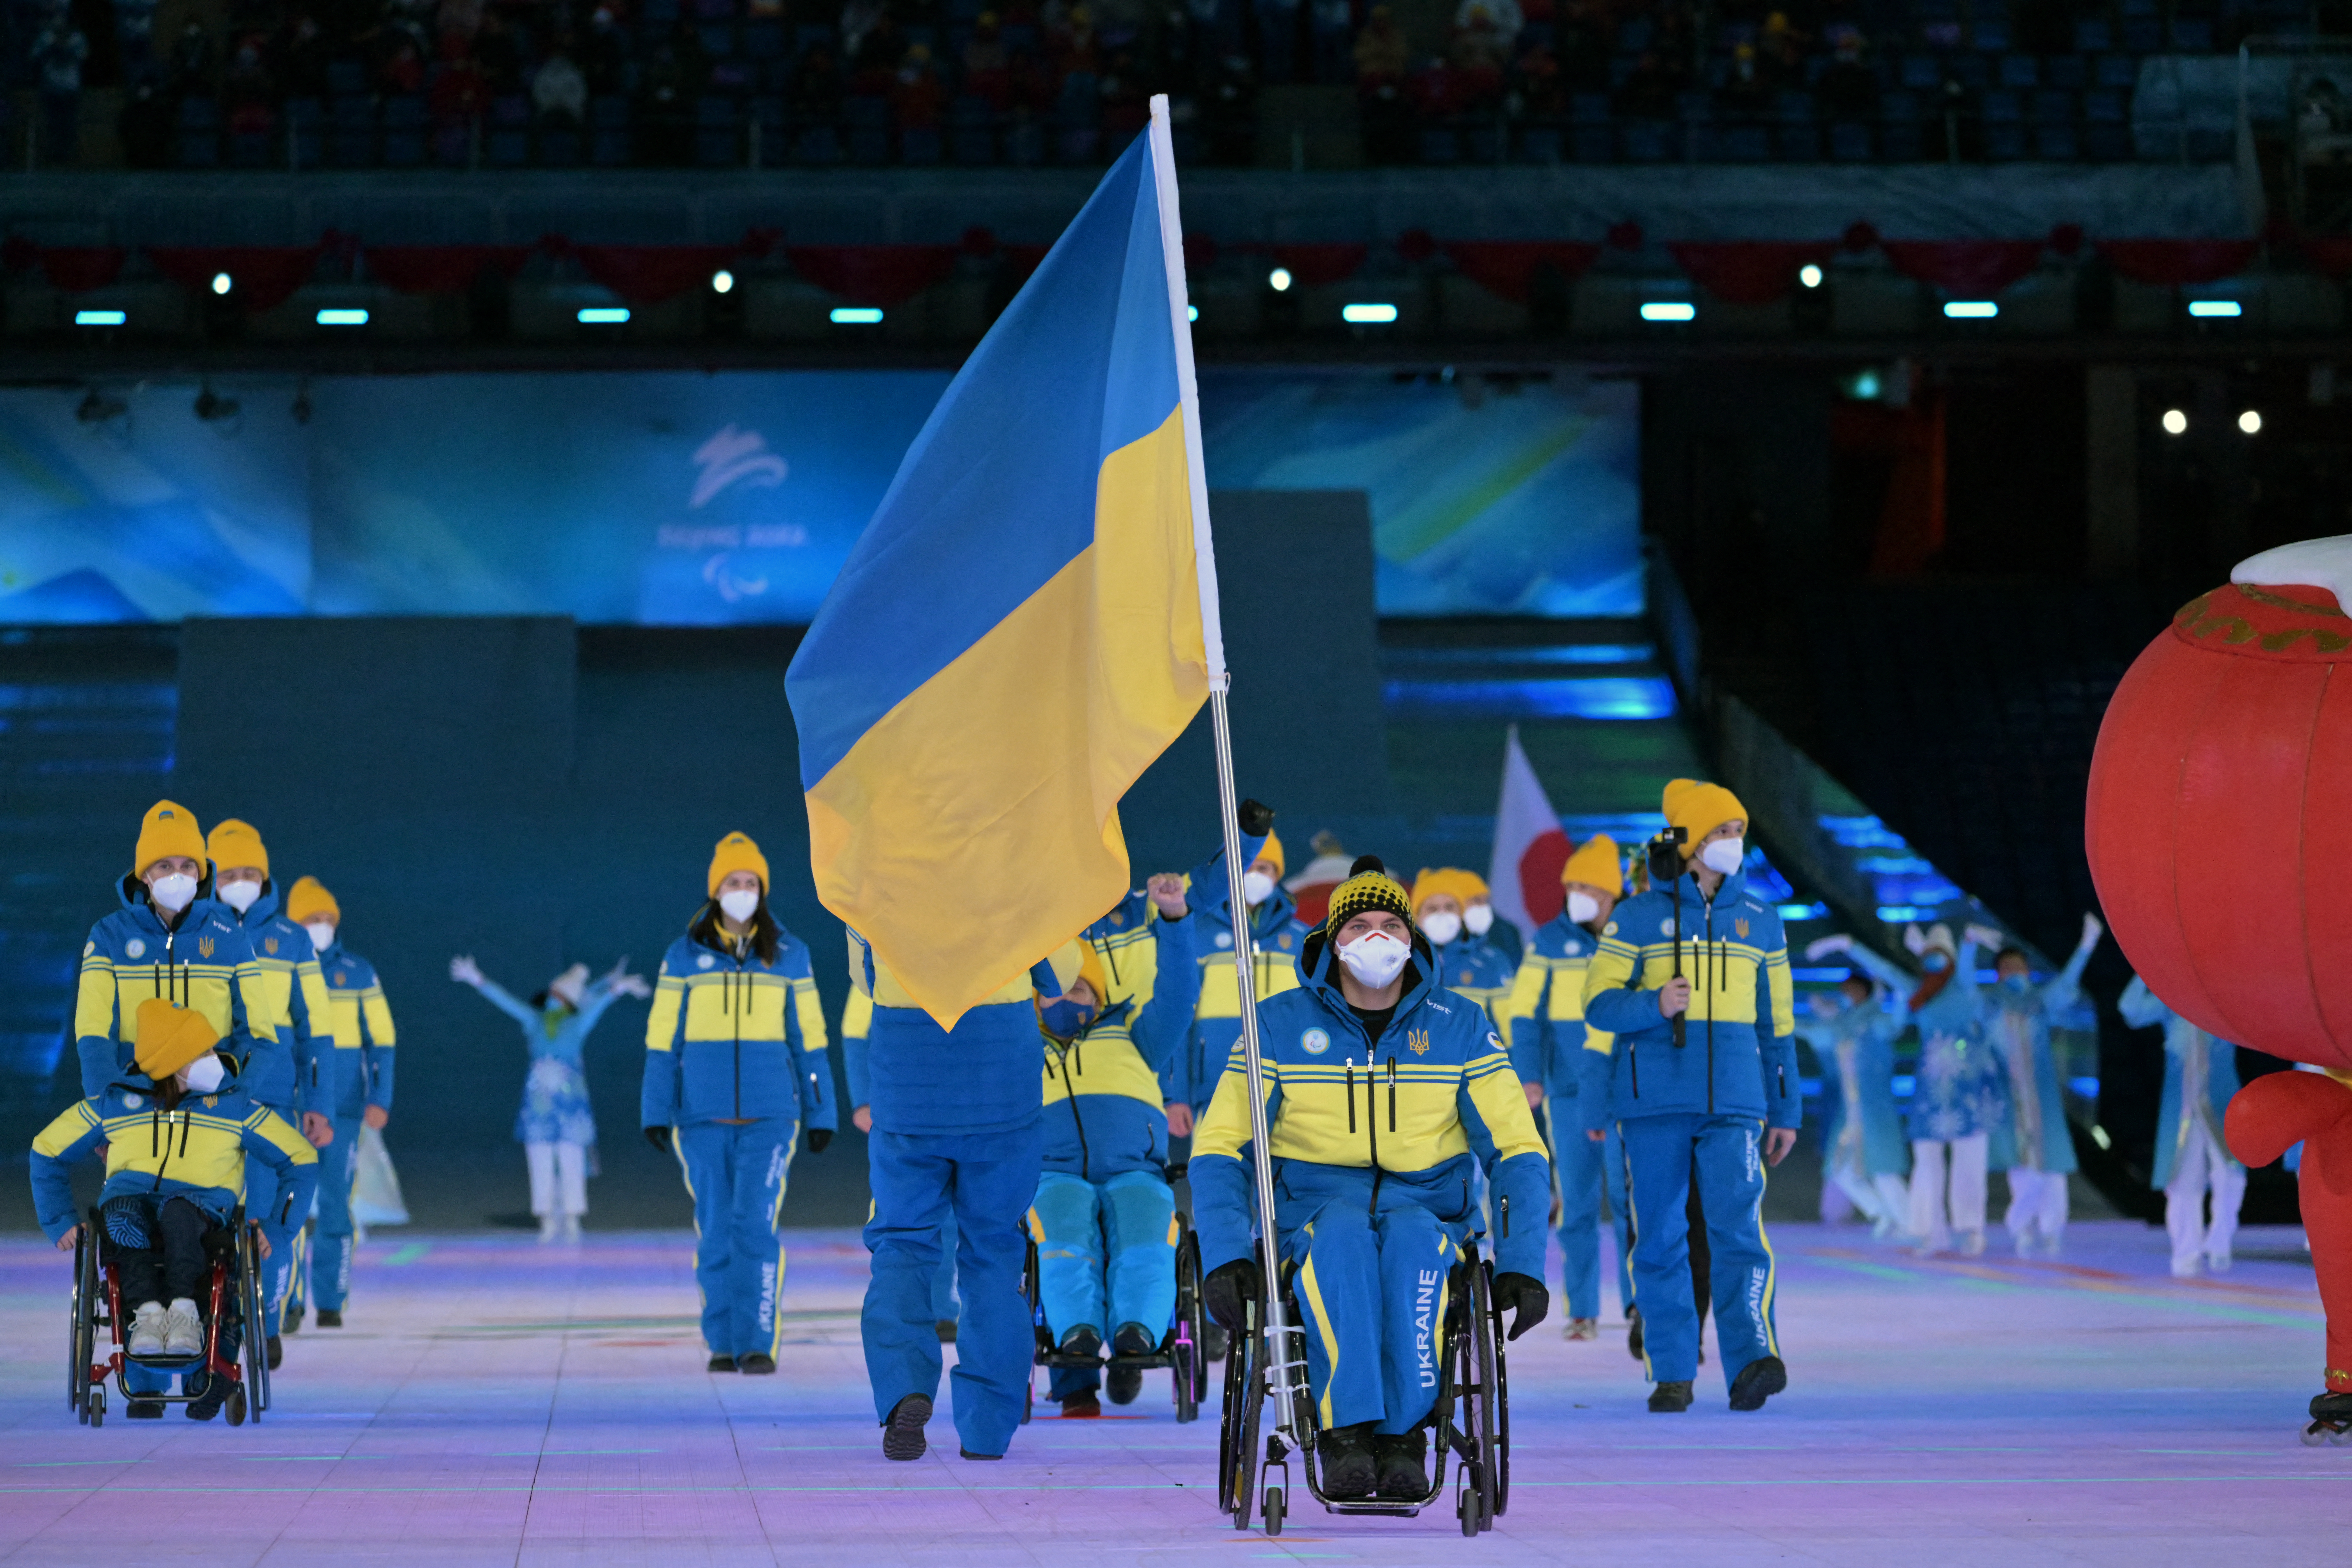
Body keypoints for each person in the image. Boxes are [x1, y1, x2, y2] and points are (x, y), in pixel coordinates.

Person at [1194, 857, 1551, 1499]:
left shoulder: (1460, 1025)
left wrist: (1522, 1258)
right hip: (1316, 1203)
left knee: (1414, 1244)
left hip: (1429, 1205)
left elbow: (1517, 1146)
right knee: (1343, 1241)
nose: (1376, 938)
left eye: (1391, 923)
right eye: (1359, 924)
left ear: (1413, 940)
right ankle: (1346, 1432)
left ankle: (1403, 1435)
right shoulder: (1274, 1025)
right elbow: (1223, 1144)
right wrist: (1223, 1251)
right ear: (1331, 940)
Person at [1580, 780, 1798, 1414]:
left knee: (1739, 1231)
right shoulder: (1637, 916)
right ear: (1693, 843)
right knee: (1658, 1238)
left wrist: (1783, 1108)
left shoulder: (1760, 920)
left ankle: (1753, 1358)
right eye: (1722, 833)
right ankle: (1671, 1367)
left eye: (1737, 831)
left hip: (1736, 1102)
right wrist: (1654, 1004)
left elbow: (1777, 1025)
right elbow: (1596, 1001)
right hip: (1652, 1105)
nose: (1734, 843)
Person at [74, 801, 283, 1416]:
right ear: (142, 873)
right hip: (137, 1118)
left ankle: (207, 1358)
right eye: (163, 863)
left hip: (211, 1117)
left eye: (187, 862)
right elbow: (92, 1033)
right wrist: (104, 1112)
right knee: (129, 1222)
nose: (176, 872)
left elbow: (262, 1030)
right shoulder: (108, 935)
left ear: (203, 868)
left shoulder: (228, 934)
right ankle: (143, 1371)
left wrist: (229, 1070)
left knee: (198, 1230)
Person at [856, 921, 1084, 1462]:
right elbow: (1060, 975)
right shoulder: (1016, 875)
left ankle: (903, 1389)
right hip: (999, 1081)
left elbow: (864, 975)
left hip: (908, 1079)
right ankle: (985, 1431)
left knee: (902, 1245)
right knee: (992, 1253)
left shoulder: (875, 867)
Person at [33, 998, 319, 1421]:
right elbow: (47, 1150)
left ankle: (185, 1315)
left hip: (200, 1214)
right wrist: (59, 1218)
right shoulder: (117, 1102)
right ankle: (146, 1316)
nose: (213, 1059)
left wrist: (278, 1229)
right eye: (201, 1053)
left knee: (179, 1212)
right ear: (171, 1062)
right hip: (131, 1212)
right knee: (120, 1213)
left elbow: (301, 1159)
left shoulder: (231, 1105)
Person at [641, 832, 838, 1374]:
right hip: (700, 1118)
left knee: (754, 1226)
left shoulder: (790, 955)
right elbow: (662, 1038)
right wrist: (655, 1109)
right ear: (715, 890)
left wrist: (822, 1111)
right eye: (734, 882)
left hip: (771, 1117)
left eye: (751, 883)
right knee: (717, 1229)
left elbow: (811, 1037)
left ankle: (755, 1342)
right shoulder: (682, 957)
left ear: (763, 891)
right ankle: (722, 1342)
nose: (743, 891)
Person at [1032, 877, 1199, 1415]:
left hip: (1136, 1170)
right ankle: (1076, 1331)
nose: (1064, 1000)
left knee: (1145, 1237)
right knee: (1062, 1236)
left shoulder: (1132, 1031)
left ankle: (1137, 1334)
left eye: (1078, 989)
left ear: (1098, 993)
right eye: (1051, 990)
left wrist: (1173, 918)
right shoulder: (1019, 1047)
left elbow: (1176, 994)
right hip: (1053, 1172)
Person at [199, 819, 336, 1355]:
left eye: (250, 873)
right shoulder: (192, 935)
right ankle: (212, 1328)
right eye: (229, 872)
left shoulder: (291, 939)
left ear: (265, 877)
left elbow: (315, 1030)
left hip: (271, 1101)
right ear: (212, 876)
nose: (240, 881)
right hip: (204, 1101)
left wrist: (319, 1105)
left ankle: (267, 1324)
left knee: (265, 1219)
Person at [1501, 835, 1624, 1342]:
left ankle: (1640, 1305)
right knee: (1576, 1203)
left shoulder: (1633, 936)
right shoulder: (1548, 942)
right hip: (1568, 1093)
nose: (1574, 893)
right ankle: (1583, 1310)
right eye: (1570, 885)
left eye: (1585, 886)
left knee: (1631, 1202)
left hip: (1627, 1095)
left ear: (1609, 892)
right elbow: (1521, 1014)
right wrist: (1528, 1074)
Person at [451, 950, 649, 1242]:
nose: (555, 997)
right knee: (540, 1157)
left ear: (569, 1000)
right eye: (554, 991)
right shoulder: (535, 1021)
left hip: (570, 1103)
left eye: (561, 994)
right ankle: (545, 1215)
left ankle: (572, 1215)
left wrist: (617, 988)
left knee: (571, 1158)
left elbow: (599, 1006)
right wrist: (477, 979)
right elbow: (506, 1002)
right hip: (539, 1103)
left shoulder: (576, 1023)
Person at [1843, 923, 2007, 1256]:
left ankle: (1973, 1230)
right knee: (1927, 1164)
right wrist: (1850, 944)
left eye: (1941, 955)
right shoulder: (1917, 991)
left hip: (1968, 1089)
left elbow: (1966, 963)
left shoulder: (1964, 987)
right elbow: (1886, 970)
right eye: (1929, 956)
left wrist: (1973, 941)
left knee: (1970, 1161)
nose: (1935, 962)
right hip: (1930, 1092)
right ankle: (1933, 1232)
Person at [288, 875, 396, 1329]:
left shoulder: (357, 971)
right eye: (312, 918)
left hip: (345, 1109)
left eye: (327, 918)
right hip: (288, 1107)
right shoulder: (279, 967)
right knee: (285, 1205)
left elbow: (383, 1039)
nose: (321, 925)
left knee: (335, 1204)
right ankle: (284, 1298)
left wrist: (380, 1096)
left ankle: (331, 1299)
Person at [1165, 804, 1308, 1130]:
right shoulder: (1198, 933)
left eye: (1268, 868)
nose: (1258, 875)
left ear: (1279, 876)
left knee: (1279, 1181)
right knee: (1216, 1175)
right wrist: (1176, 1096)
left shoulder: (1301, 939)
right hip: (1213, 1089)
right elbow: (1178, 1018)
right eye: (1251, 866)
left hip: (1290, 1090)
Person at [842, 986, 959, 1341]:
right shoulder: (885, 948)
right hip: (903, 1108)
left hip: (960, 1103)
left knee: (955, 1217)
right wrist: (863, 1099)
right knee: (903, 1215)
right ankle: (905, 1311)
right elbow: (856, 1032)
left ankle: (942, 1311)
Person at [1982, 914, 2101, 1257]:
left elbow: (2065, 987)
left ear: (2028, 972)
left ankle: (2052, 1231)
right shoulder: (1991, 1007)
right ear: (1998, 974)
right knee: (2022, 1169)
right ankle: (2021, 1227)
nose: (2015, 973)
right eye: (2008, 968)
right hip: (2009, 1096)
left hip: (2043, 1098)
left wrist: (2085, 947)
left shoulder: (2039, 1002)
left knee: (2052, 1170)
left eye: (2020, 967)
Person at [2120, 973, 2245, 1277]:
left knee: (2232, 1175)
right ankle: (2186, 1253)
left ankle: (2219, 1243)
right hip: (2181, 1109)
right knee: (2183, 1183)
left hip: (2222, 1100)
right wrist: (2147, 971)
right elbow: (2130, 1009)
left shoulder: (2228, 1001)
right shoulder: (2171, 1001)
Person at [1798, 939, 1914, 1238]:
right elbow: (1813, 1033)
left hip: (1874, 1108)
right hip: (1850, 1113)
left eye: (1852, 988)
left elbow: (1896, 1025)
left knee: (1884, 1170)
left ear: (1865, 990)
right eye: (1845, 989)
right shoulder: (1843, 1024)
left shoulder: (1877, 1019)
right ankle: (1883, 1213)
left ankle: (1910, 1223)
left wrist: (1900, 998)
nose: (1847, 993)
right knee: (1841, 1171)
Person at [1410, 868, 1514, 1026]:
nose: (1442, 914)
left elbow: (1509, 1028)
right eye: (1432, 909)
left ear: (1461, 914)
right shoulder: (1401, 960)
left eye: (1450, 907)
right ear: (1417, 916)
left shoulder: (1491, 961)